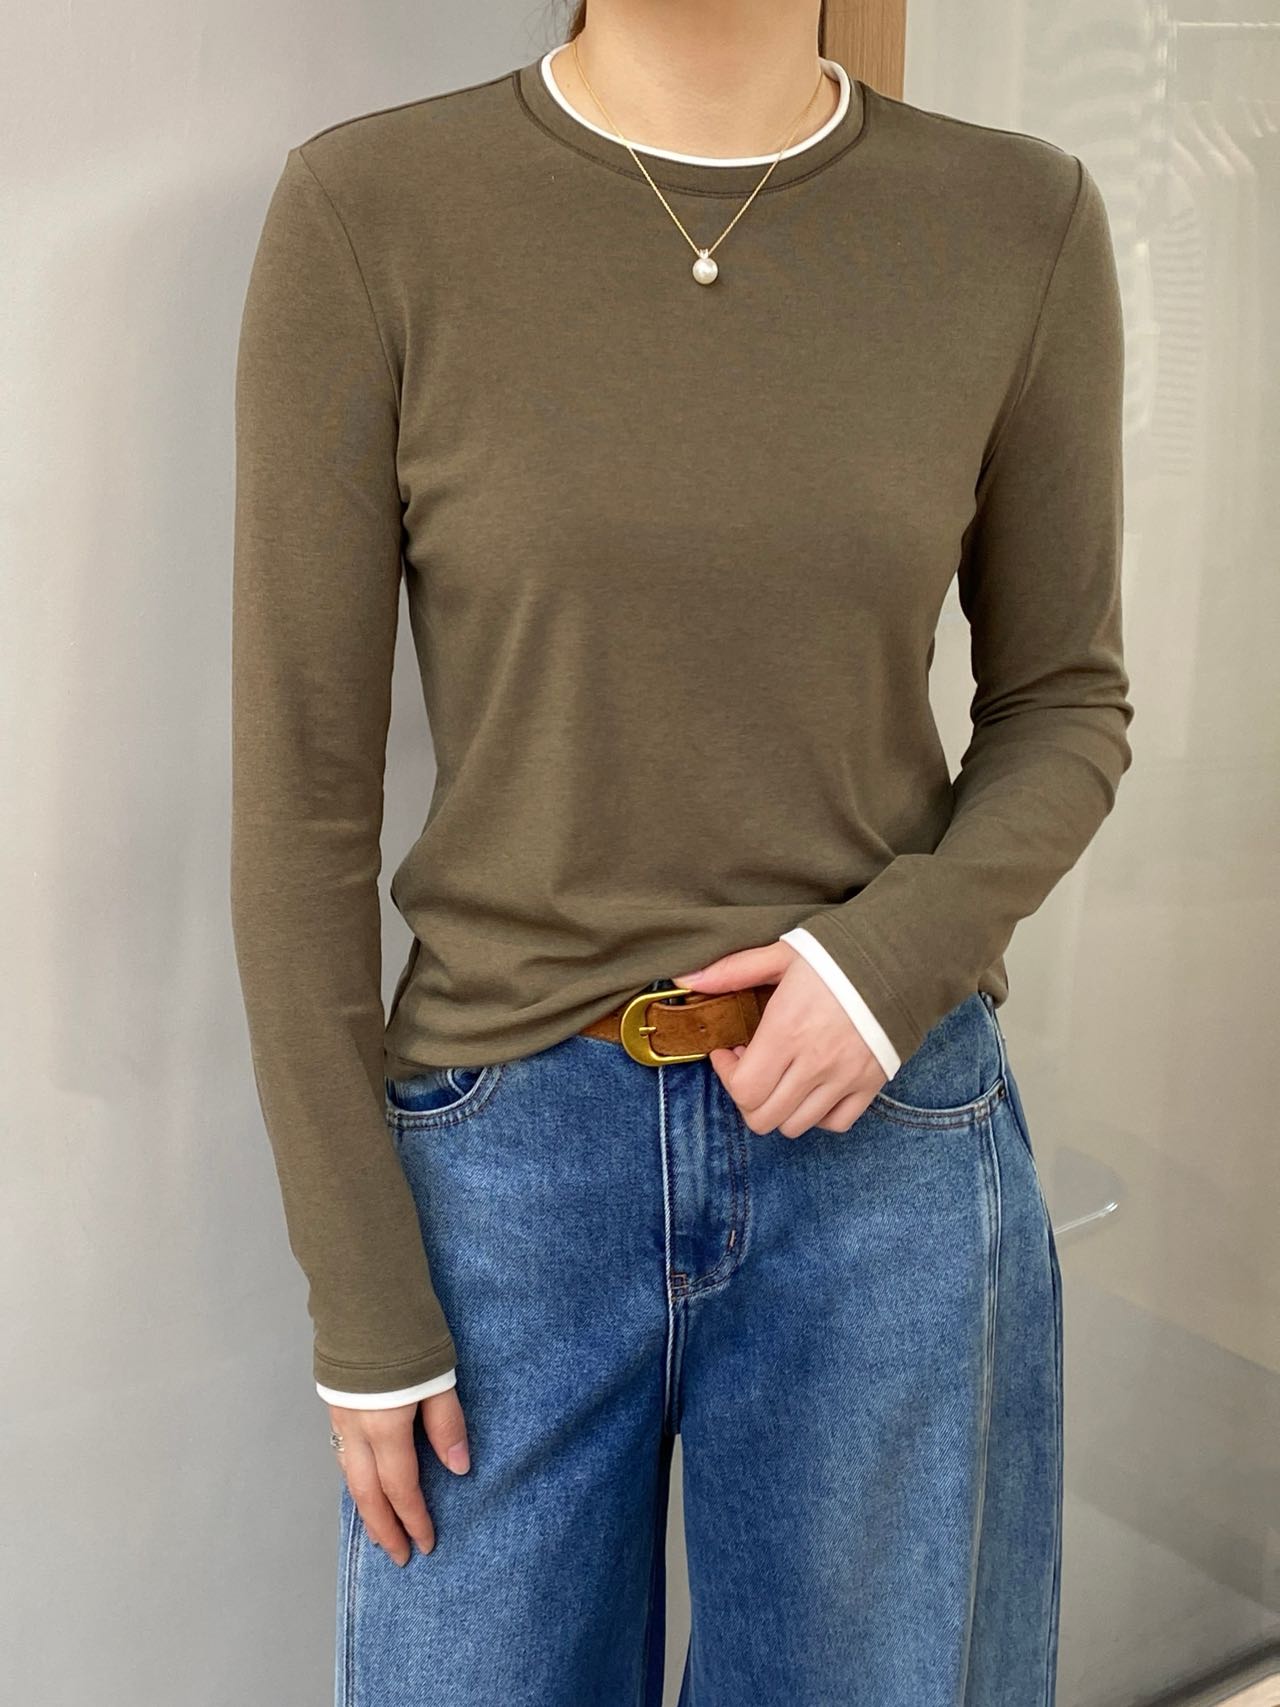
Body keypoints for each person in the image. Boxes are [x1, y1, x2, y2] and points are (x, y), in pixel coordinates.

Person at [229, 1, 1133, 1702]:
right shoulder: (373, 211)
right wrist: (362, 1294)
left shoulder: (1018, 221)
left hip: (881, 1137)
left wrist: (886, 964)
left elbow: (1064, 702)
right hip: (500, 1176)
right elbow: (299, 802)